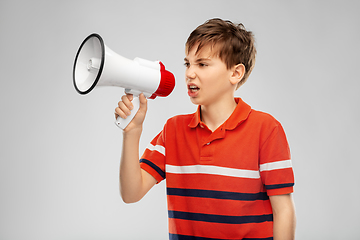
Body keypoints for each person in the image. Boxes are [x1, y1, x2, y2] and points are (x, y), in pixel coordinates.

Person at [115, 18, 296, 240]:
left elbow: (283, 210)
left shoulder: (266, 129)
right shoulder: (173, 130)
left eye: (202, 64)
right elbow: (131, 193)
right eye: (187, 63)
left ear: (235, 73)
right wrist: (131, 133)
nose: (190, 73)